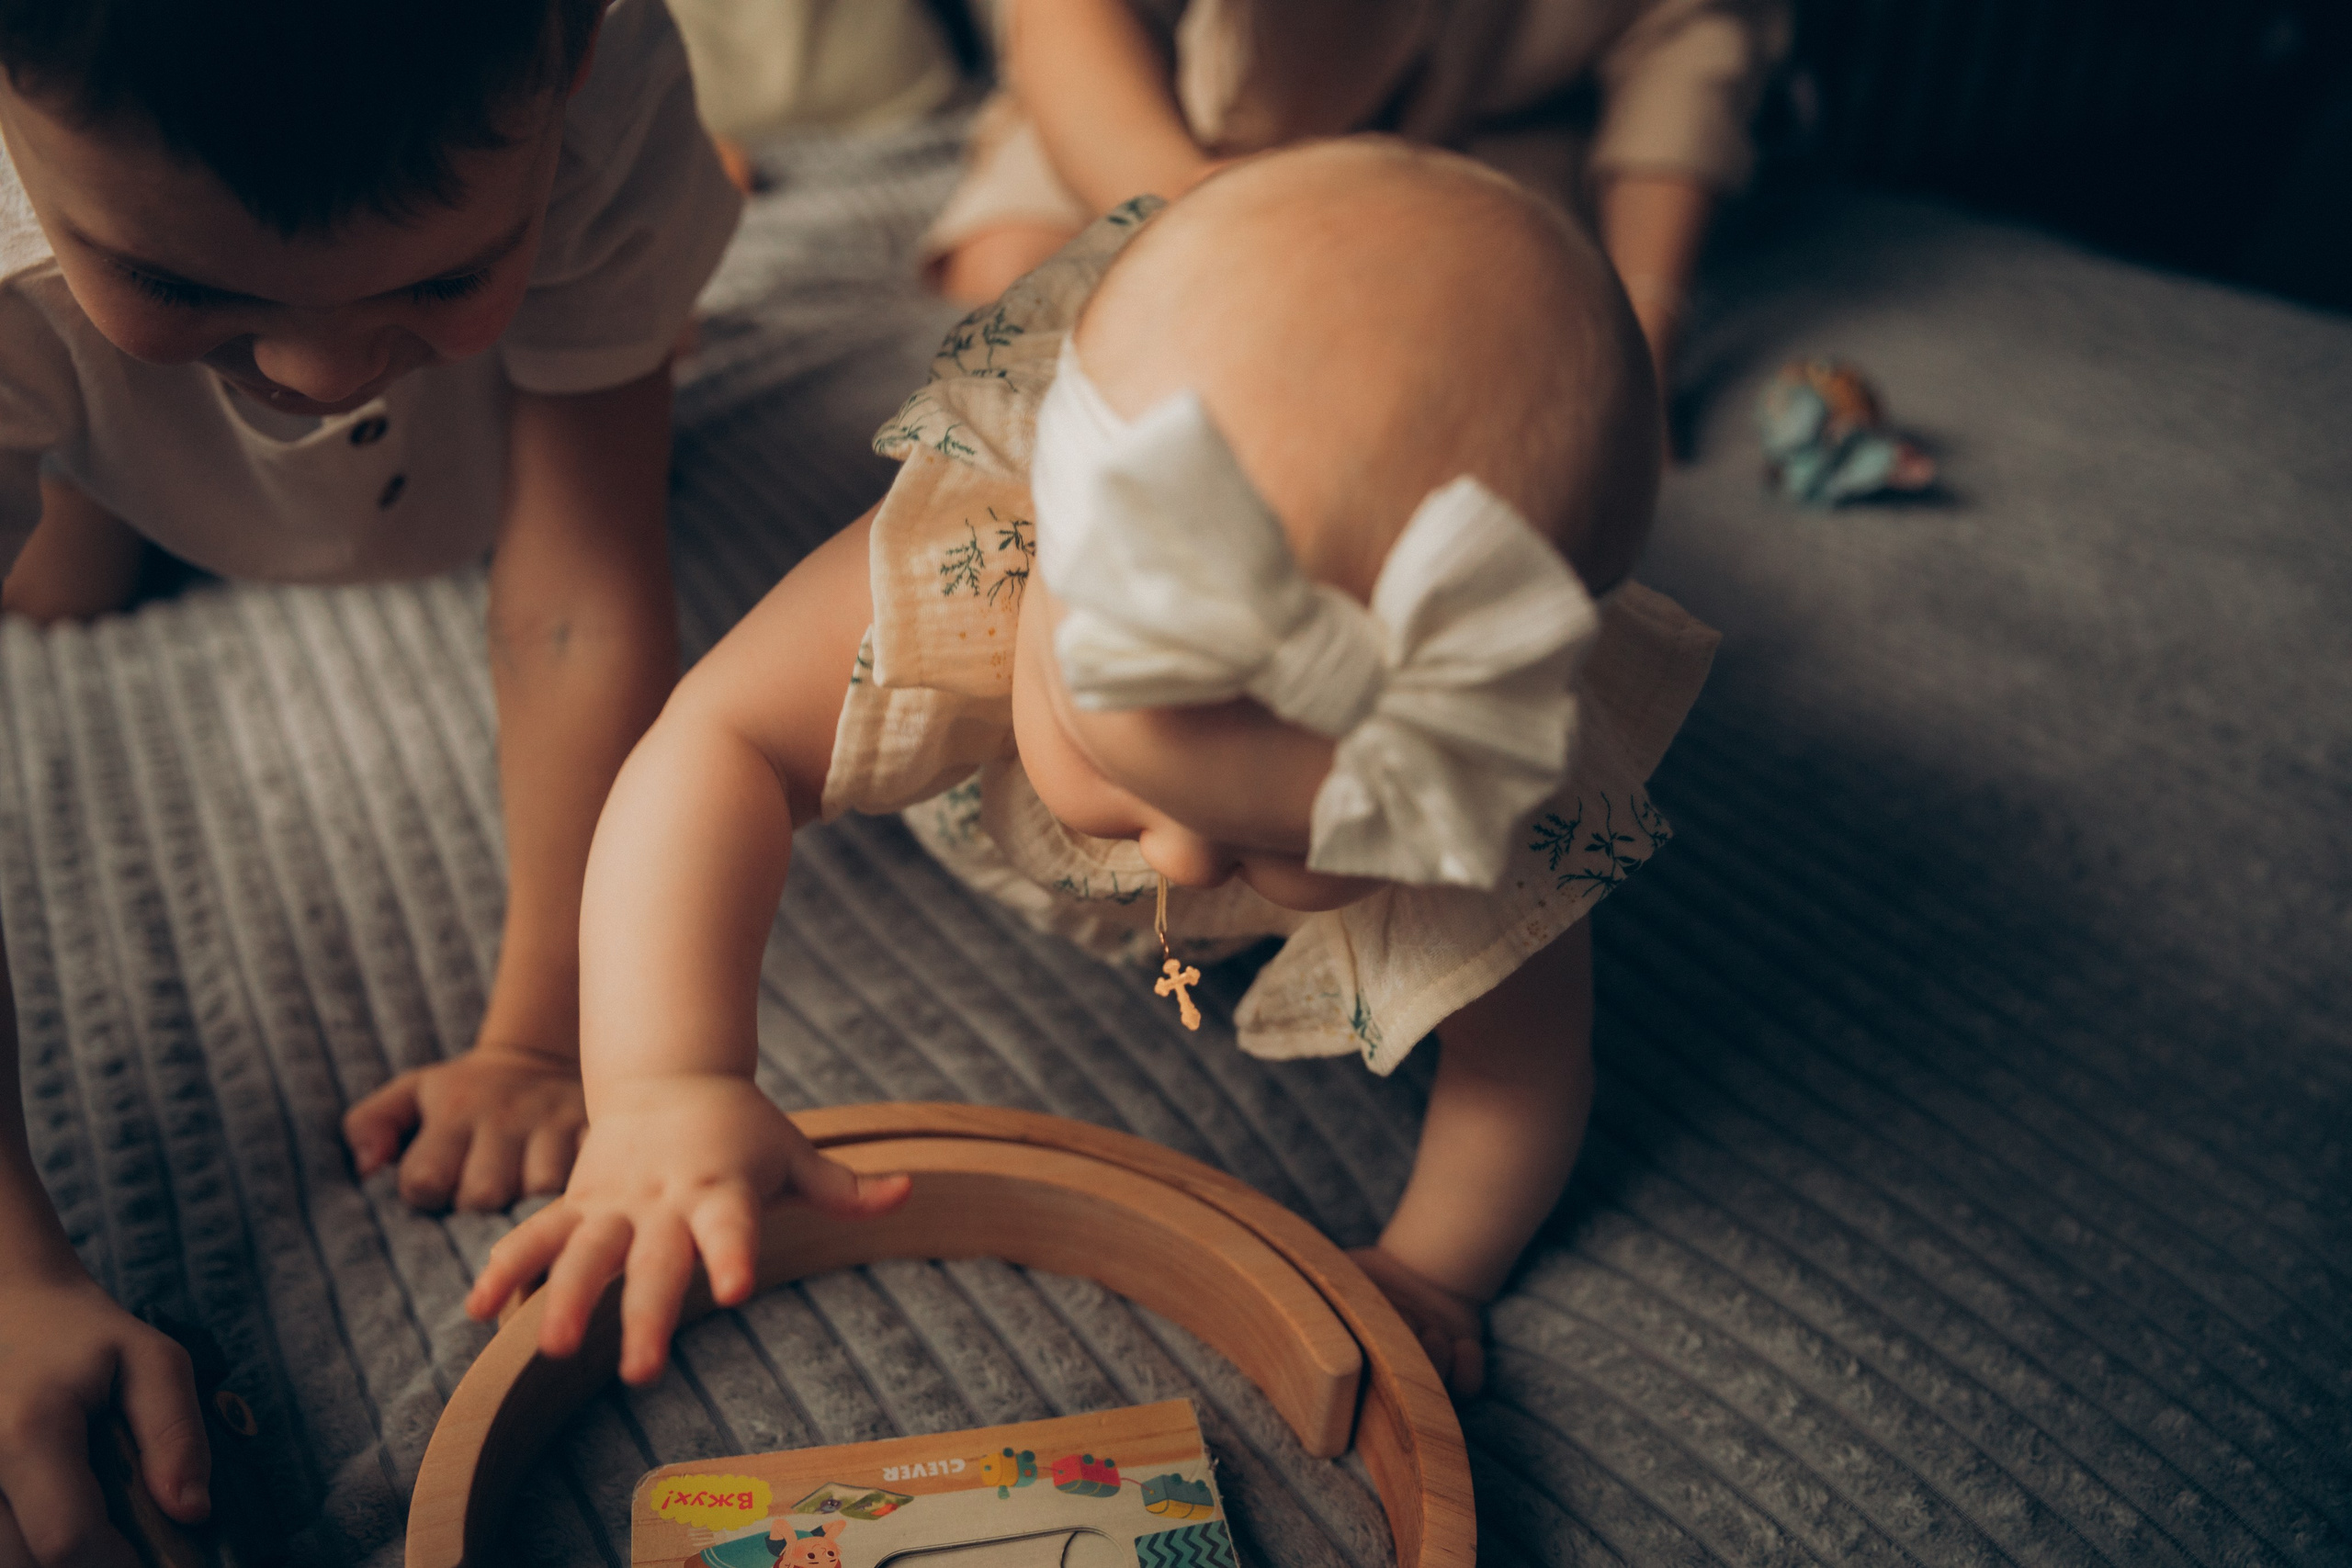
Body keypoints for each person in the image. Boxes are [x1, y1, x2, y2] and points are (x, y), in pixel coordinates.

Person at [469, 140, 1719, 1405]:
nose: (1172, 858)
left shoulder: (1475, 791)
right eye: (1108, 754)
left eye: (1296, 842)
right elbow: (713, 745)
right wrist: (669, 1078)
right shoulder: (994, 546)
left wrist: (1434, 1269)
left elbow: (1520, 1076)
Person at [0, 1, 739, 1562]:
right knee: (57, 587)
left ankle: (568, 283)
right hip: (69, 385)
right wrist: (8, 1269)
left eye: (438, 266)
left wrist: (546, 1030)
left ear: (577, 51)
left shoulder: (604, 99)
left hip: (483, 450)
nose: (315, 364)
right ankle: (94, 456)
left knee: (591, 398)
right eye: (179, 274)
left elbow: (575, 595)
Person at [925, 0, 1789, 385]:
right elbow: (1068, 19)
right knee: (1019, 297)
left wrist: (1645, 328)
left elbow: (1689, 48)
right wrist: (1186, 200)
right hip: (1147, 102)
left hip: (1475, 138)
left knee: (1495, 359)